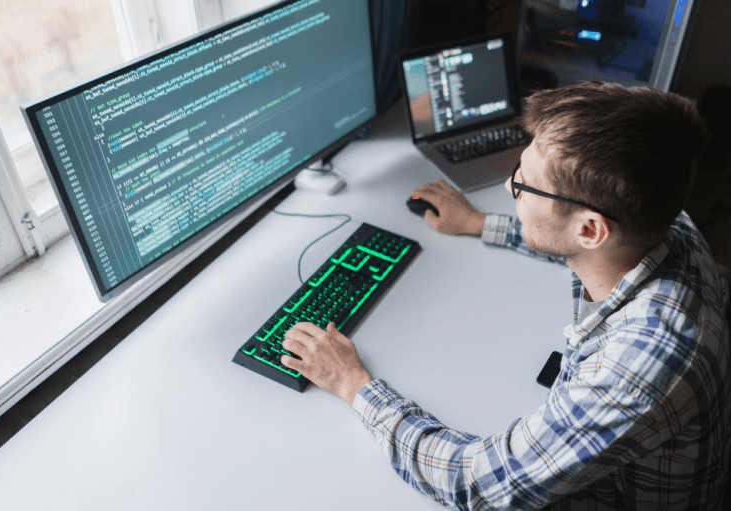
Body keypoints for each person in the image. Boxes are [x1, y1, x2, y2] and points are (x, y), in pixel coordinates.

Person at [280, 81, 731, 509]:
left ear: (591, 229)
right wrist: (478, 223)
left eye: (525, 184)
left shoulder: (640, 362)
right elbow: (577, 239)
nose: (507, 186)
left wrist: (352, 383)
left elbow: (479, 486)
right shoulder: (665, 222)